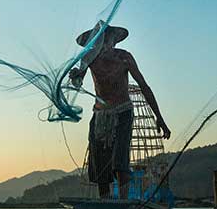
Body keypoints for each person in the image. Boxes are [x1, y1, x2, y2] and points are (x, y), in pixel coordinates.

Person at [69, 24, 170, 199]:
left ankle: (123, 202)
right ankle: (106, 202)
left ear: (114, 41)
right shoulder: (88, 58)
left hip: (123, 112)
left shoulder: (124, 58)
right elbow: (78, 83)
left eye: (108, 40)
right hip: (100, 114)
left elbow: (144, 87)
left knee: (120, 161)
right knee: (100, 162)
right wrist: (75, 76)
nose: (105, 45)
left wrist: (159, 118)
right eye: (100, 41)